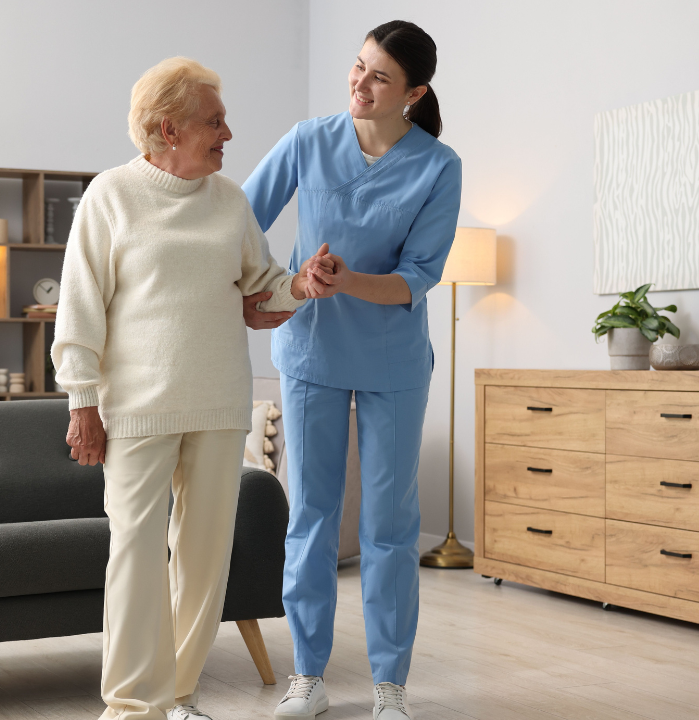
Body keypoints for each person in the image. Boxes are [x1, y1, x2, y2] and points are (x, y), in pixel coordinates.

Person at [51, 57, 332, 720]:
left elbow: (262, 288)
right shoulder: (110, 197)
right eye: (214, 121)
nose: (228, 132)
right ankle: (128, 708)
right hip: (136, 410)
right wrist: (81, 401)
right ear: (164, 129)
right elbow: (79, 307)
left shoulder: (229, 202)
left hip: (216, 406)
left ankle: (176, 698)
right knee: (135, 560)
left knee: (204, 564)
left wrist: (306, 283)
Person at [241, 20, 462, 720]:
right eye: (358, 67)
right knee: (309, 516)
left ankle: (389, 685)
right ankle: (307, 677)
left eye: (379, 78)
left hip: (393, 360)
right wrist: (287, 281)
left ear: (414, 93)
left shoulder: (438, 165)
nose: (360, 85)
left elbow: (415, 277)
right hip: (311, 354)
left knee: (390, 525)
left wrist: (346, 281)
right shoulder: (309, 140)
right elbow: (241, 221)